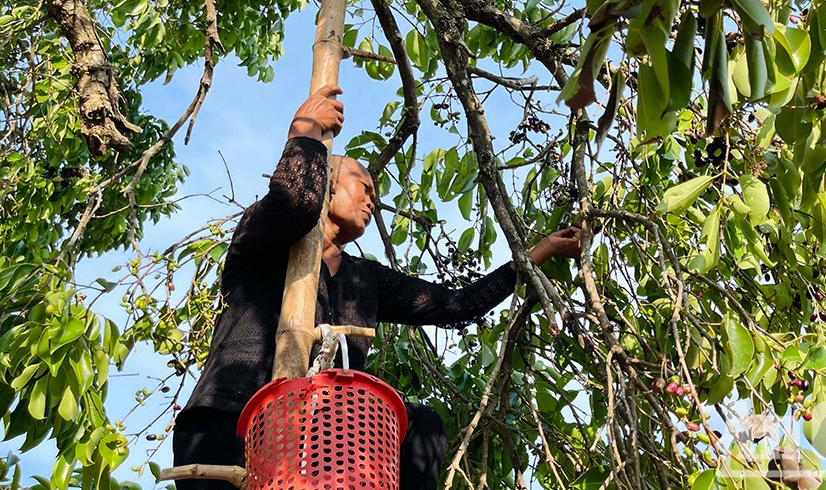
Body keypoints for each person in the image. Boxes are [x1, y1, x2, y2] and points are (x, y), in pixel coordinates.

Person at [172, 86, 582, 489]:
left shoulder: (364, 279)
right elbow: (295, 201)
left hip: (319, 451)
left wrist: (536, 253)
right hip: (228, 424)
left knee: (423, 425)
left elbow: (454, 305)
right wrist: (305, 129)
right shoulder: (263, 237)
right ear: (328, 182)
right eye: (364, 187)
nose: (372, 202)